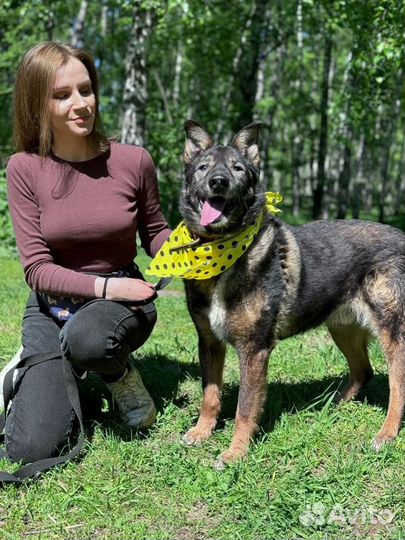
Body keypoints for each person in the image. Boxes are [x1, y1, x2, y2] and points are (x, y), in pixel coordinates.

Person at [4, 41, 171, 466]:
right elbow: (38, 270)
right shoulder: (24, 168)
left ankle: (119, 378)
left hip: (121, 304)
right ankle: (29, 369)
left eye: (86, 90)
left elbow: (155, 233)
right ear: (37, 104)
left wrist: (193, 248)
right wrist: (104, 287)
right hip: (50, 306)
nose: (80, 104)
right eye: (62, 96)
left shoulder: (134, 161)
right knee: (31, 448)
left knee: (89, 338)